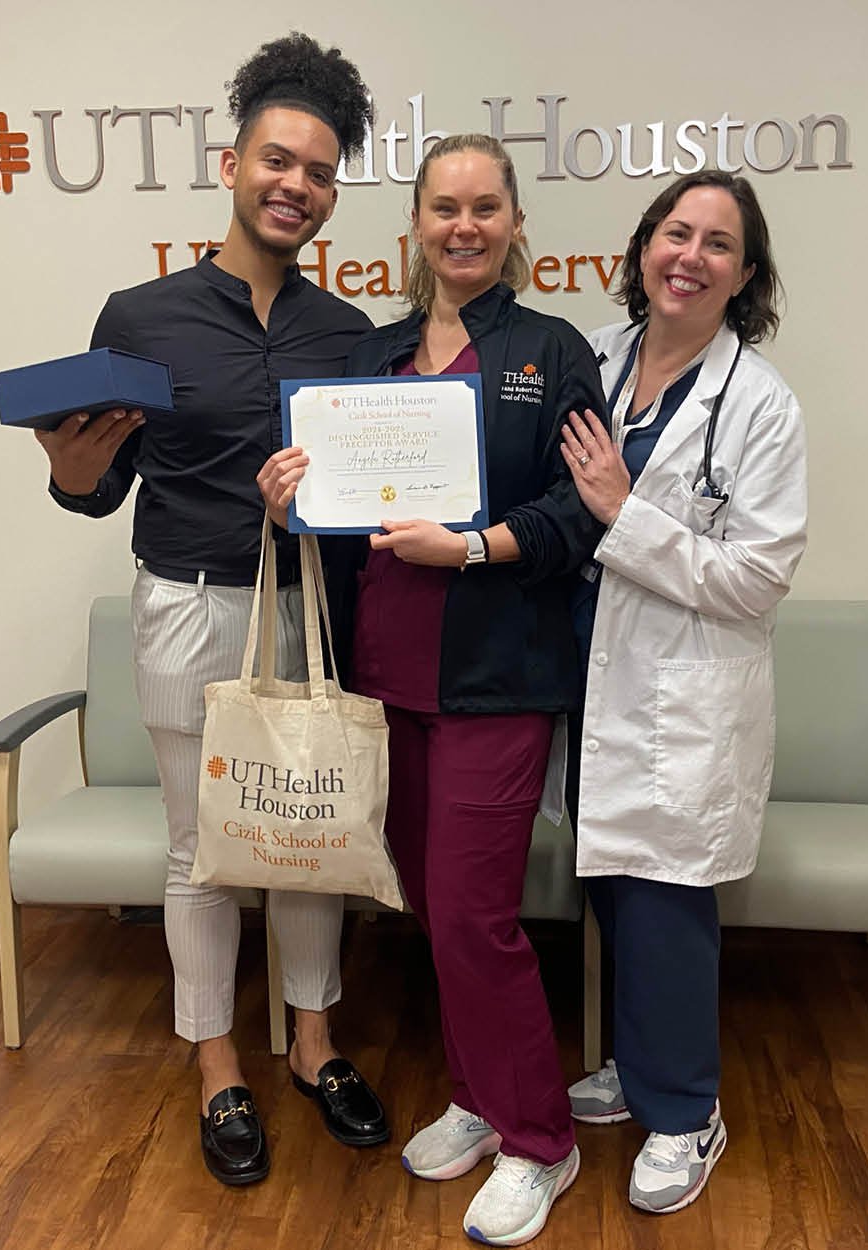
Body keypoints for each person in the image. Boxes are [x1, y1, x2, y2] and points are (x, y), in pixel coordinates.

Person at [32, 33, 387, 1185]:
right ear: (229, 162)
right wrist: (66, 464)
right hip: (186, 604)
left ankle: (313, 1043)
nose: (296, 185)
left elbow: (374, 492)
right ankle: (216, 1056)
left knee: (311, 841)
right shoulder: (139, 317)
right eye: (277, 160)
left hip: (307, 614)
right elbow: (95, 491)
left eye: (320, 172)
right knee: (202, 851)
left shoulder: (348, 335)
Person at [265, 134, 606, 1246]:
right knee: (427, 908)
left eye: (484, 207)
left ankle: (539, 1140)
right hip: (386, 678)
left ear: (512, 222)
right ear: (413, 223)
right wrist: (287, 498)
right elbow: (336, 520)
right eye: (443, 208)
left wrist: (472, 548)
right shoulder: (370, 360)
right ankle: (478, 1092)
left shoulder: (550, 353)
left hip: (494, 681)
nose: (463, 226)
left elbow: (576, 511)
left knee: (473, 915)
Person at [555, 171, 804, 1216]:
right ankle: (636, 1061)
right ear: (642, 244)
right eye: (673, 231)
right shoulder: (596, 358)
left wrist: (624, 514)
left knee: (663, 897)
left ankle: (684, 1107)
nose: (687, 255)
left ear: (743, 274)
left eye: (715, 243)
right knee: (611, 881)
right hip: (586, 667)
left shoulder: (759, 404)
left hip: (684, 692)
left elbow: (755, 574)